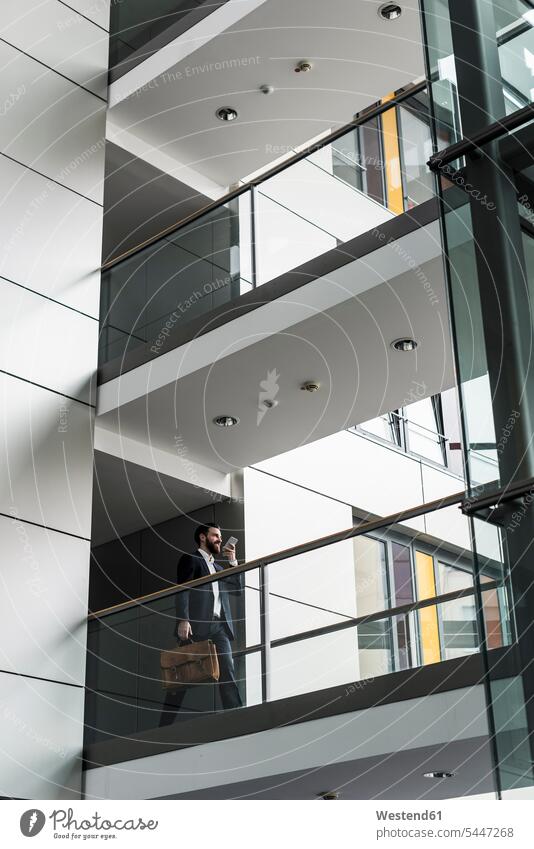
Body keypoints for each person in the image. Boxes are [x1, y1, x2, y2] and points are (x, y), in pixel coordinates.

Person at [159, 524, 243, 726]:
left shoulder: (219, 568)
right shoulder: (191, 560)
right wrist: (183, 619)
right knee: (182, 676)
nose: (219, 540)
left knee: (227, 671)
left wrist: (232, 561)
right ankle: (165, 726)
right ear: (203, 537)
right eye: (216, 536)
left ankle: (238, 717)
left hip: (219, 627)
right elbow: (183, 590)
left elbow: (237, 589)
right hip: (196, 625)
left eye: (220, 537)